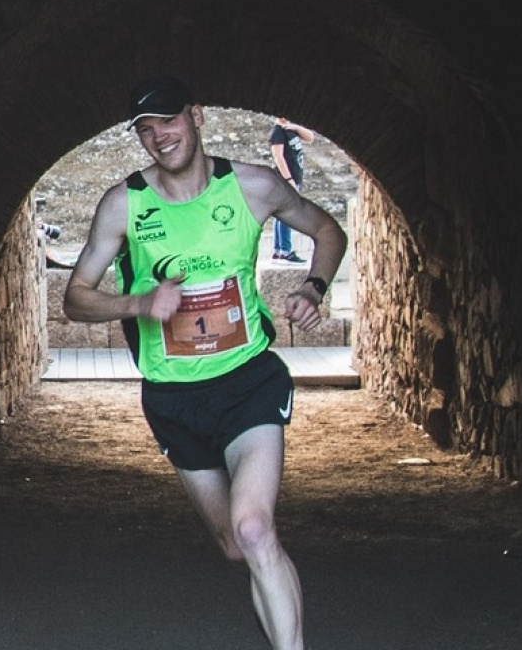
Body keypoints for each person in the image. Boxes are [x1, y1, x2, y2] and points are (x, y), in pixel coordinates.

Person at [63, 77, 346, 650]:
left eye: (168, 121)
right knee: (235, 544)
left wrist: (313, 289)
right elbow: (75, 298)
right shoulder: (124, 204)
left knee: (254, 526)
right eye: (146, 130)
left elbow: (326, 230)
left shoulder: (253, 186)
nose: (159, 137)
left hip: (247, 382)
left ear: (196, 117)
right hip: (173, 398)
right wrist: (141, 303)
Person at [269, 117, 317, 262]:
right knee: (288, 214)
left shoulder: (291, 130)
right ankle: (285, 250)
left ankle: (279, 250)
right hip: (286, 179)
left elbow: (310, 138)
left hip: (296, 176)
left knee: (283, 214)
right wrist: (288, 179)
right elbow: (278, 156)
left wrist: (295, 127)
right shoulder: (277, 132)